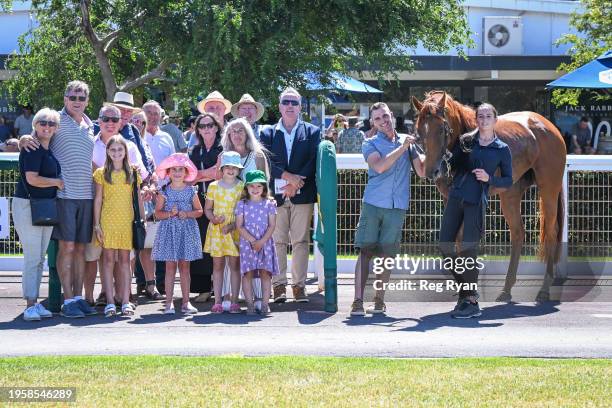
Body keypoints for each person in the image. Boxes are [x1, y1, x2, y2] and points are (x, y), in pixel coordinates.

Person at [20, 80, 98, 318]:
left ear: (86, 101)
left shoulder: (90, 125)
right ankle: (67, 300)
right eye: (72, 97)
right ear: (65, 99)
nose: (76, 101)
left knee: (81, 249)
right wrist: (24, 137)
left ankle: (77, 298)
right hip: (63, 196)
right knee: (67, 247)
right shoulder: (54, 120)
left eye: (81, 98)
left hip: (87, 195)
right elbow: (34, 138)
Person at [350, 102, 425, 316]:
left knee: (386, 255)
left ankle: (379, 300)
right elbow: (380, 166)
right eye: (377, 119)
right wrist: (403, 148)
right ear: (373, 123)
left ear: (391, 115)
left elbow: (421, 171)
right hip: (373, 204)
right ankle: (357, 301)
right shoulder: (369, 143)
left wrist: (431, 149)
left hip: (397, 206)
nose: (383, 121)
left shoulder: (408, 141)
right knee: (366, 252)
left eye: (385, 116)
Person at [439, 103, 512, 319]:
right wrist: (446, 157)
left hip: (475, 201)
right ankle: (467, 291)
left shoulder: (501, 149)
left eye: (488, 116)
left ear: (495, 119)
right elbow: (454, 164)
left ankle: (471, 302)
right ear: (477, 119)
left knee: (469, 251)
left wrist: (491, 179)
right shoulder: (466, 140)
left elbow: (508, 180)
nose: (484, 119)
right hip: (456, 197)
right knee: (444, 245)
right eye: (480, 116)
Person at [85, 105, 151, 307]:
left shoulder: (130, 147)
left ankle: (124, 295)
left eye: (115, 119)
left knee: (124, 257)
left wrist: (142, 217)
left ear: (121, 122)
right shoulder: (89, 143)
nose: (110, 123)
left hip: (125, 214)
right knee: (95, 256)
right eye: (106, 119)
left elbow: (142, 181)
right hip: (94, 209)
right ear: (99, 120)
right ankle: (95, 296)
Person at [260, 87, 321, 303]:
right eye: (286, 102)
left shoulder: (312, 131)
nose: (289, 106)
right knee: (277, 241)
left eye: (294, 103)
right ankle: (278, 286)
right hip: (275, 195)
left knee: (301, 241)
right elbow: (268, 161)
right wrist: (288, 178)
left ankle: (299, 286)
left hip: (302, 193)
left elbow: (313, 160)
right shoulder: (266, 133)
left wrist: (296, 183)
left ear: (300, 107)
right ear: (279, 106)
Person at [12, 108, 63, 321]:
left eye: (51, 123)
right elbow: (32, 179)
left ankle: (34, 302)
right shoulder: (32, 147)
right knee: (33, 258)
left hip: (43, 206)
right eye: (43, 122)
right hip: (27, 205)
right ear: (35, 124)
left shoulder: (47, 148)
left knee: (39, 258)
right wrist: (56, 182)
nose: (47, 126)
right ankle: (30, 305)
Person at [93, 136, 144, 317]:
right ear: (107, 151)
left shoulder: (132, 173)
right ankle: (109, 301)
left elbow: (137, 198)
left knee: (124, 261)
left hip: (126, 221)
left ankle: (125, 300)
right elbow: (98, 199)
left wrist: (142, 220)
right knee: (107, 261)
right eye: (113, 150)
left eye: (119, 150)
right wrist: (96, 224)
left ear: (125, 152)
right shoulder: (101, 173)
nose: (116, 153)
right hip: (108, 221)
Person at [221, 117, 269, 308]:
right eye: (233, 131)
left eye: (241, 130)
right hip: (228, 211)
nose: (237, 134)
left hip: (252, 213)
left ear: (247, 133)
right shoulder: (223, 157)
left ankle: (258, 298)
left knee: (253, 253)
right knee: (229, 256)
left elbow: (265, 186)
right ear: (228, 135)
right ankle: (228, 296)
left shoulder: (257, 156)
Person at [151, 153, 203, 315]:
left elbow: (199, 211)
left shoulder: (191, 191)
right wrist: (169, 214)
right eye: (174, 169)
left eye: (181, 169)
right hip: (169, 232)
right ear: (168, 172)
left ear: (186, 172)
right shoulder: (164, 191)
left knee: (185, 267)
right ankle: (168, 303)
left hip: (186, 232)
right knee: (170, 267)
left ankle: (186, 302)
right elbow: (157, 213)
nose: (178, 173)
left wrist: (186, 214)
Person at [188, 113, 223, 303]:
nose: (207, 129)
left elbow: (220, 173)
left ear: (216, 127)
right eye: (202, 126)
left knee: (219, 244)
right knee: (200, 244)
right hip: (198, 202)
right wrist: (206, 173)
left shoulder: (223, 148)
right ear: (198, 129)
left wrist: (198, 174)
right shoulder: (194, 151)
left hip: (220, 201)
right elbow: (188, 177)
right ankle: (203, 288)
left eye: (210, 125)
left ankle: (223, 288)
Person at [203, 151, 244, 314]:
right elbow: (207, 208)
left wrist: (233, 225)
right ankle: (218, 301)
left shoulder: (241, 186)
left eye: (235, 167)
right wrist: (213, 218)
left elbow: (244, 211)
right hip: (218, 231)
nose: (231, 170)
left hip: (234, 230)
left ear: (239, 170)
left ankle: (234, 300)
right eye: (228, 167)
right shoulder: (214, 186)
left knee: (235, 265)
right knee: (218, 265)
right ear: (222, 168)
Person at [235, 170, 279, 315]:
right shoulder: (242, 204)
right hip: (248, 244)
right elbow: (239, 225)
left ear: (264, 188)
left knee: (265, 274)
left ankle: (265, 305)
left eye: (259, 186)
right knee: (247, 273)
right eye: (252, 186)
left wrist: (262, 241)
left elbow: (272, 225)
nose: (255, 189)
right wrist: (254, 241)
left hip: (265, 243)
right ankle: (250, 305)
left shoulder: (270, 204)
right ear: (246, 188)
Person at [102, 92, 153, 174]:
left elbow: (143, 157)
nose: (125, 113)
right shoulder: (99, 126)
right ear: (114, 111)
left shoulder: (133, 130)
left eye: (129, 111)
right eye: (122, 109)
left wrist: (149, 177)